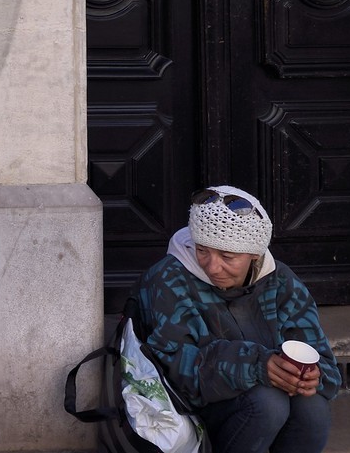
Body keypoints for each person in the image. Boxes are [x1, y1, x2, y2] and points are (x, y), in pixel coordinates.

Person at [134, 185, 338, 453]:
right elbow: (174, 369)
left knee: (313, 408)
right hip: (193, 408)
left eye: (227, 256)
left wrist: (313, 376)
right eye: (202, 250)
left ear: (255, 254)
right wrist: (254, 365)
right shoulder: (169, 279)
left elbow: (326, 366)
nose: (211, 266)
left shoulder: (281, 282)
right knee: (267, 404)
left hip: (257, 399)